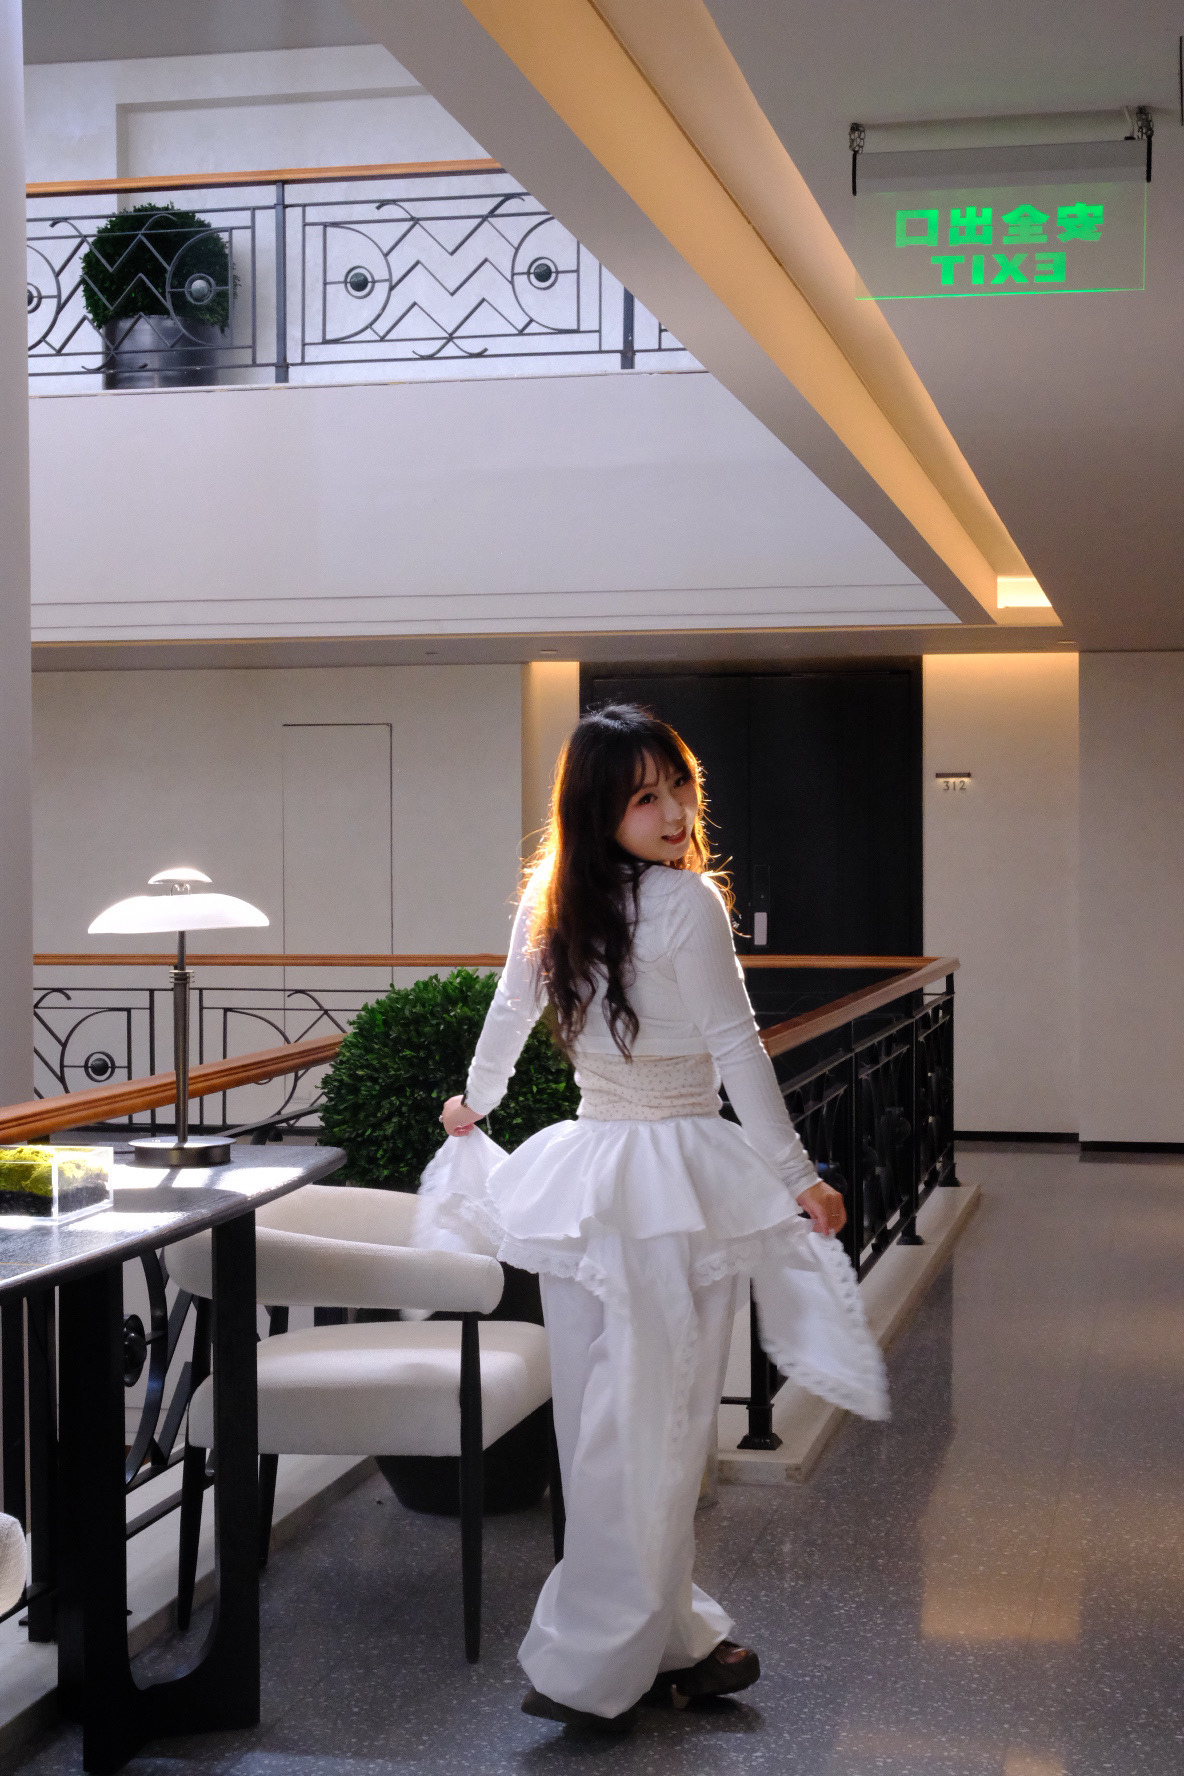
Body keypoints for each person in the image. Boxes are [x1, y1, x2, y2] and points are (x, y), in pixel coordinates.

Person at [422, 704, 887, 1737]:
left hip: (589, 1179)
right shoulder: (683, 903)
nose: (674, 812)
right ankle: (597, 1662)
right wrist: (797, 1174)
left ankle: (664, 1638)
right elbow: (737, 1048)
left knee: (607, 1424)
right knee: (660, 1429)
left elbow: (507, 1016)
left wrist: (476, 1101)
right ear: (599, 808)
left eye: (679, 787)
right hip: (671, 1179)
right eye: (645, 796)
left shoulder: (554, 898)